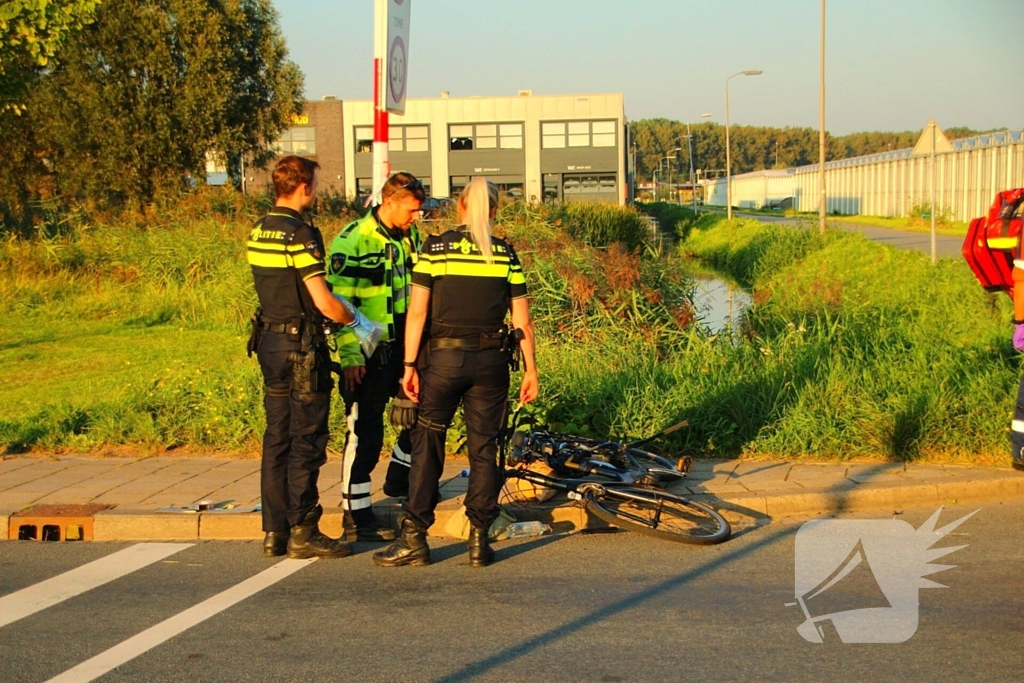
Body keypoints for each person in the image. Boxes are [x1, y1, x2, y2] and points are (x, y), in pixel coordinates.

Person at [374, 177, 539, 569]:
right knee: (484, 449)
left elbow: (417, 313)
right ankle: (479, 540)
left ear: (461, 207)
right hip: (491, 364)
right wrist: (531, 370)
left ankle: (415, 537)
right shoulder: (505, 255)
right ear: (495, 211)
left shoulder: (436, 248)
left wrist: (409, 366)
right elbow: (523, 323)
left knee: (428, 444)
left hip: (443, 363)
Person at [247, 155, 381, 559]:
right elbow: (322, 301)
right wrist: (358, 321)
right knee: (306, 440)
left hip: (268, 344)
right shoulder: (300, 233)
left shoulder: (259, 229)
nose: (317, 192)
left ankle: (275, 532)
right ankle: (304, 528)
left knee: (277, 439)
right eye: (316, 185)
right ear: (304, 187)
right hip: (301, 350)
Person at [327, 172, 426, 541]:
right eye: (412, 211)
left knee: (423, 418)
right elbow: (338, 303)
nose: (417, 218)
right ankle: (357, 515)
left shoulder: (409, 236)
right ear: (389, 202)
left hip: (405, 348)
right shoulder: (353, 240)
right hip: (367, 352)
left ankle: (399, 479)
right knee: (365, 433)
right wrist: (350, 355)